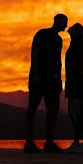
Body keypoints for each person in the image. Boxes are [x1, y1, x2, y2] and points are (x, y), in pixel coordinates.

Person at [23, 13, 68, 153]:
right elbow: (34, 53)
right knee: (32, 108)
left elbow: (57, 61)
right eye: (64, 22)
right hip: (38, 78)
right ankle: (29, 142)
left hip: (52, 80)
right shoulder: (42, 34)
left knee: (53, 110)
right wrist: (36, 73)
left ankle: (49, 142)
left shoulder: (59, 40)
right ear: (57, 21)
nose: (66, 25)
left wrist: (59, 79)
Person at [65, 22, 83, 153]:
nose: (69, 28)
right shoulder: (75, 45)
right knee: (78, 111)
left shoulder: (76, 46)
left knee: (75, 112)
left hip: (75, 82)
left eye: (73, 28)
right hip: (75, 82)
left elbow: (75, 69)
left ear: (76, 33)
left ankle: (79, 142)